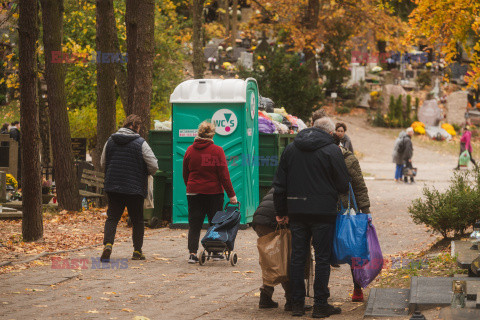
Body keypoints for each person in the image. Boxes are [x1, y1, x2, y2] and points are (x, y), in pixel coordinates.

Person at [273, 117, 350, 318]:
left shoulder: (291, 149)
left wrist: (281, 211)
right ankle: (320, 305)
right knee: (323, 258)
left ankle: (296, 304)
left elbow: (279, 184)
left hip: (296, 211)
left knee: (298, 257)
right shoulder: (332, 150)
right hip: (323, 212)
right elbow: (343, 184)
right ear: (329, 132)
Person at [100, 114, 158, 262]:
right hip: (135, 187)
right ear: (136, 127)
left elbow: (102, 162)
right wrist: (147, 172)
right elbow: (154, 165)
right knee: (137, 220)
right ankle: (137, 251)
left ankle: (108, 244)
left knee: (112, 218)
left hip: (113, 186)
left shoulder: (110, 141)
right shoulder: (140, 143)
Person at [183, 121, 237, 264]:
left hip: (193, 193)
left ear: (199, 133)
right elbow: (224, 176)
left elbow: (185, 173)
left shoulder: (189, 150)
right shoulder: (217, 151)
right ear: (212, 134)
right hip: (213, 193)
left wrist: (192, 187)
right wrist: (232, 195)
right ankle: (214, 252)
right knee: (215, 223)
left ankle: (193, 254)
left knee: (194, 224)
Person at [333, 134, 371, 302]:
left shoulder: (350, 160)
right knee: (325, 250)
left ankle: (357, 288)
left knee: (353, 248)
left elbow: (359, 185)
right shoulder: (323, 158)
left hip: (348, 209)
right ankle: (322, 293)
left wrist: (365, 209)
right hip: (328, 210)